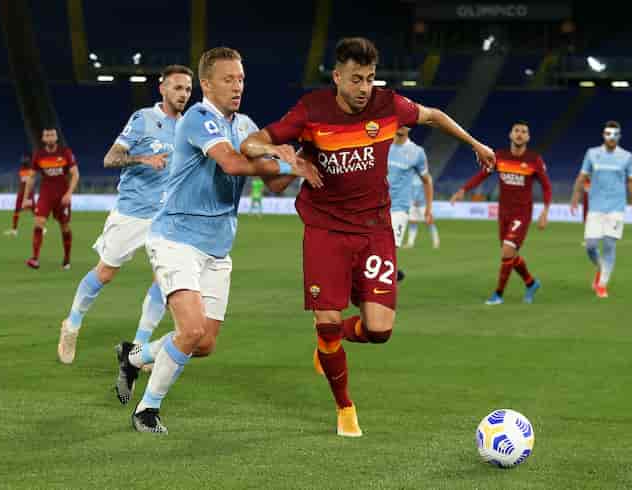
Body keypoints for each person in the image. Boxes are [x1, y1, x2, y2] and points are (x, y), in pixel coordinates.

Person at [241, 37, 495, 437]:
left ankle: (329, 343)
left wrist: (476, 144)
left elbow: (434, 115)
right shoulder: (311, 109)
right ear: (338, 76)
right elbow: (251, 142)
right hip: (324, 229)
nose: (364, 88)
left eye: (370, 79)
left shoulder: (388, 105)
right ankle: (344, 406)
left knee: (379, 331)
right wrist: (284, 155)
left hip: (375, 230)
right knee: (326, 320)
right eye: (356, 79)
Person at [113, 47, 321, 433]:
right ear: (206, 84)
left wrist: (301, 159)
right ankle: (147, 410)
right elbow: (231, 162)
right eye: (228, 79)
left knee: (203, 343)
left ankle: (134, 357)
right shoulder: (197, 117)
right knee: (190, 330)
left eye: (241, 79)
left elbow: (275, 184)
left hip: (217, 247)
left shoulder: (244, 126)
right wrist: (278, 154)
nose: (237, 86)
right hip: (176, 237)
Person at [56, 65, 193, 365]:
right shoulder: (143, 119)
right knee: (105, 272)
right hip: (132, 211)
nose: (183, 94)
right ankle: (72, 324)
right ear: (163, 88)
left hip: (166, 217)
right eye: (177, 87)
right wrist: (143, 158)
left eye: (187, 89)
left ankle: (138, 349)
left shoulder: (189, 126)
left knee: (164, 280)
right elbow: (110, 158)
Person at [451, 120, 551, 305]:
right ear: (511, 135)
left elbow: (546, 186)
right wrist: (463, 190)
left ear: (528, 137)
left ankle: (498, 295)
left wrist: (545, 211)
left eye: (523, 131)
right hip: (503, 213)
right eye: (516, 130)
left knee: (507, 251)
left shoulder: (534, 160)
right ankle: (531, 283)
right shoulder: (500, 157)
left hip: (522, 214)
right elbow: (482, 174)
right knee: (509, 255)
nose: (520, 134)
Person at [569, 120, 632, 298]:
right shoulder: (592, 154)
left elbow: (631, 181)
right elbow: (581, 177)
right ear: (603, 135)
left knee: (609, 244)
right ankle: (602, 267)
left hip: (616, 208)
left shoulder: (626, 156)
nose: (612, 138)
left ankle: (602, 284)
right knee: (591, 246)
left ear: (619, 136)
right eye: (609, 134)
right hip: (596, 208)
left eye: (615, 134)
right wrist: (575, 197)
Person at [22, 127, 79, 270]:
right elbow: (31, 177)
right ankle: (35, 258)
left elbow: (75, 174)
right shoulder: (39, 155)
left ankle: (66, 259)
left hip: (62, 195)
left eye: (52, 135)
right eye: (47, 135)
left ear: (56, 137)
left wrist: (69, 193)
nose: (50, 137)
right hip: (45, 194)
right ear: (43, 139)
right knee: (39, 222)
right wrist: (26, 198)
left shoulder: (65, 153)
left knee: (65, 227)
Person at [387, 126, 434, 282]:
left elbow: (427, 180)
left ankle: (385, 293)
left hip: (398, 208)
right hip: (375, 206)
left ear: (410, 126)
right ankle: (391, 274)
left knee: (389, 249)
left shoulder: (417, 152)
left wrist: (428, 209)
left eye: (405, 122)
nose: (400, 125)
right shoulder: (382, 144)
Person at [4, 154, 35, 237]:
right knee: (17, 211)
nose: (23, 163)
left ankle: (42, 228)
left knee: (33, 211)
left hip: (28, 194)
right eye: (23, 162)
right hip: (21, 194)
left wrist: (28, 194)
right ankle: (14, 230)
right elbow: (22, 183)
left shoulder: (31, 171)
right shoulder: (21, 171)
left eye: (24, 162)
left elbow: (30, 183)